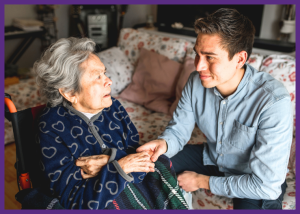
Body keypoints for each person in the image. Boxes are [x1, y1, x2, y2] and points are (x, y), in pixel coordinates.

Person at [137, 8, 292, 210]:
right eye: (197, 54)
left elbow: (265, 186)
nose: (199, 66)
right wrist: (164, 144)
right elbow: (178, 131)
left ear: (240, 59)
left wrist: (202, 181)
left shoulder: (273, 100)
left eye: (210, 57)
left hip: (251, 175)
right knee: (149, 164)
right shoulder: (195, 82)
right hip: (211, 158)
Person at [35, 37, 188, 210]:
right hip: (100, 201)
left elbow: (138, 159)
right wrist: (120, 167)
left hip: (124, 187)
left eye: (105, 73)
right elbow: (74, 200)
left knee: (161, 162)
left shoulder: (113, 107)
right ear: (70, 93)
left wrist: (110, 161)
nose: (109, 81)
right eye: (97, 77)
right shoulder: (51, 126)